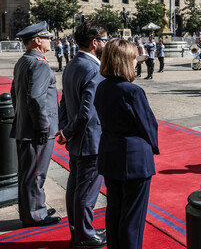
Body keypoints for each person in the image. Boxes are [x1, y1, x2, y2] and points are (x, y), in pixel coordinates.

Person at [94, 39, 159, 249]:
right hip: (134, 158)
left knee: (114, 212)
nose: (136, 62)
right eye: (133, 58)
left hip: (110, 153)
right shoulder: (132, 91)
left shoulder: (102, 87)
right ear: (123, 61)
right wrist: (153, 147)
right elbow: (148, 125)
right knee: (133, 218)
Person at [56, 21, 108, 247]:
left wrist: (65, 129)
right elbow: (88, 111)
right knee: (86, 193)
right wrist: (67, 130)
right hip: (91, 141)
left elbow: (64, 102)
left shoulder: (72, 63)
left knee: (75, 190)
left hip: (77, 139)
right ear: (95, 42)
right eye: (105, 39)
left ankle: (78, 231)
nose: (107, 43)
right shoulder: (93, 69)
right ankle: (85, 236)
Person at [10, 21, 61, 227]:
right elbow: (36, 99)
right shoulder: (39, 64)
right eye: (47, 37)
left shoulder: (24, 60)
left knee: (27, 173)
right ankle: (35, 215)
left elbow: (15, 94)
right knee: (36, 174)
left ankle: (32, 207)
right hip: (36, 129)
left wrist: (22, 116)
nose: (51, 40)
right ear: (37, 40)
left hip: (25, 125)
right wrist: (42, 127)